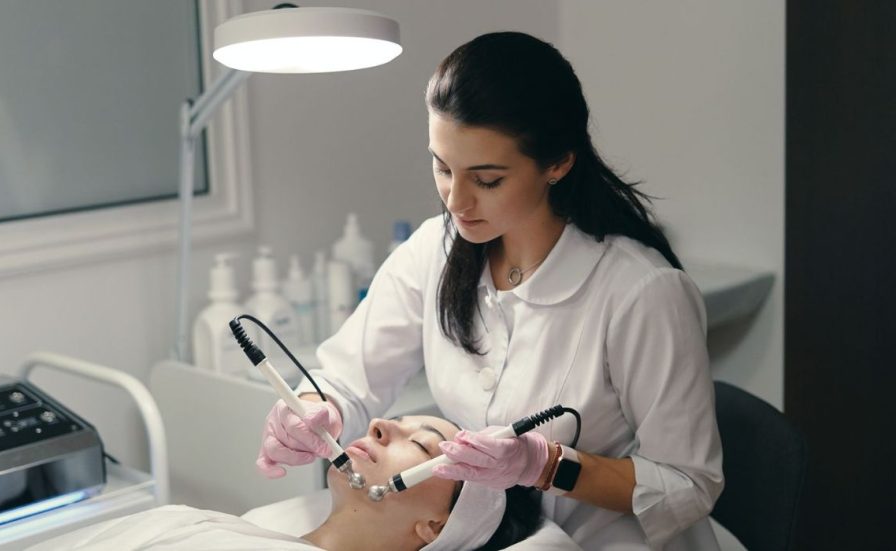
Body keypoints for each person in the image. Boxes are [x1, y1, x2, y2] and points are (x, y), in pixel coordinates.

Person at [256, 32, 723, 550]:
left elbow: (688, 483)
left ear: (558, 162)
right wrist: (312, 411)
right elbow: (349, 378)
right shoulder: (435, 250)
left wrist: (547, 466)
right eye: (442, 167)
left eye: (487, 179)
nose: (456, 201)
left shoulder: (642, 293)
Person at [28, 415, 543, 551]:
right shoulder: (211, 526)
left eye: (423, 445)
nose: (381, 425)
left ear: (434, 527)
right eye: (398, 420)